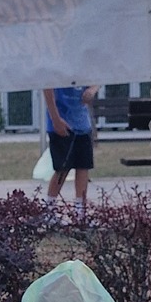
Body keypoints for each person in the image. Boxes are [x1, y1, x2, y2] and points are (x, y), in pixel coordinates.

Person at [44, 83, 97, 220]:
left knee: (83, 167)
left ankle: (80, 211)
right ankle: (49, 209)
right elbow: (47, 87)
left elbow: (96, 78)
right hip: (61, 123)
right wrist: (55, 119)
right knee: (62, 168)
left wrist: (92, 90)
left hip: (82, 123)